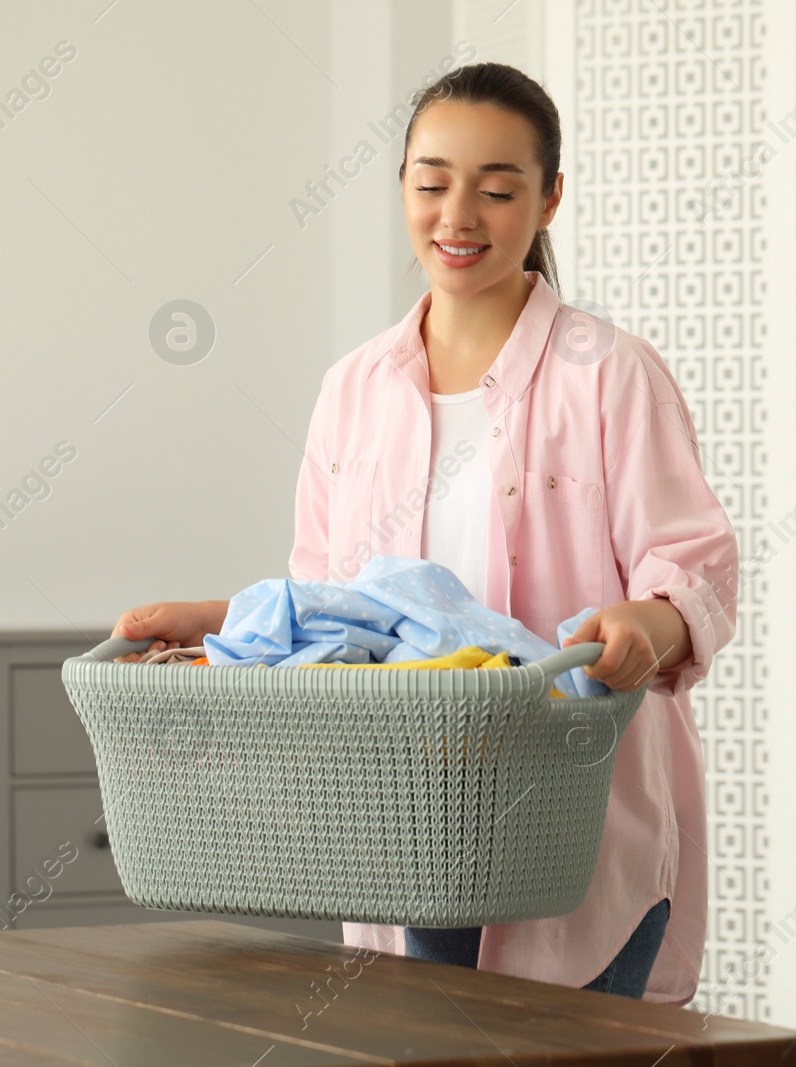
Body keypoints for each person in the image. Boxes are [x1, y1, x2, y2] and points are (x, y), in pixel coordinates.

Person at [114, 61, 738, 1005]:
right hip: (402, 822)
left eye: (497, 189)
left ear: (550, 199)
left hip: (574, 814)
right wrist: (222, 623)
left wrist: (647, 626)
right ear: (402, 185)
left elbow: (693, 566)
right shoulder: (354, 388)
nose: (459, 216)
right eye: (433, 182)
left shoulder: (609, 373)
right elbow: (332, 611)